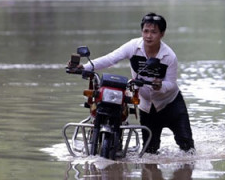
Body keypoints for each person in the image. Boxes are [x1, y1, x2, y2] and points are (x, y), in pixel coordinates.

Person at [70, 12, 195, 154]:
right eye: (145, 31)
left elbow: (172, 84)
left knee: (187, 147)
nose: (148, 36)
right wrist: (85, 67)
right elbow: (111, 58)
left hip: (171, 104)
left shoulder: (169, 56)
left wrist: (161, 85)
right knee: (149, 151)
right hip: (147, 106)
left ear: (162, 34)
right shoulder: (133, 46)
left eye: (153, 32)